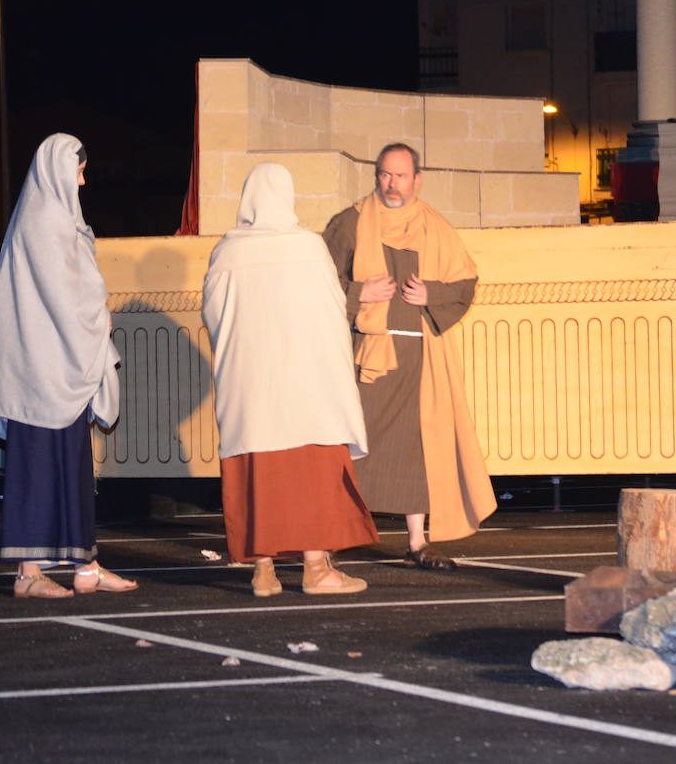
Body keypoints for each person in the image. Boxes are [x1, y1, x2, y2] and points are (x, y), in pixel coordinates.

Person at [0, 133, 136, 599]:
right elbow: (63, 297)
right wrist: (97, 314)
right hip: (40, 370)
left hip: (62, 364)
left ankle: (85, 565)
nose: (83, 179)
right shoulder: (41, 222)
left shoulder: (59, 219)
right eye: (78, 169)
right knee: (37, 467)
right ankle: (28, 572)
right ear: (58, 169)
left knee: (72, 466)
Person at [203, 163, 379, 596]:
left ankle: (263, 571)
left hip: (251, 389)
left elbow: (214, 316)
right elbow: (332, 311)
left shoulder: (227, 252)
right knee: (311, 474)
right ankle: (317, 569)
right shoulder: (307, 247)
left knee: (259, 477)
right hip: (305, 386)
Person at [322, 143, 496, 570]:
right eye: (384, 174)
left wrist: (430, 294)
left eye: (400, 176)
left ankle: (417, 542)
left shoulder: (432, 225)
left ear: (416, 179)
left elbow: (465, 283)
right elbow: (318, 283)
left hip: (420, 355)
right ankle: (326, 539)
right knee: (351, 447)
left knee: (419, 449)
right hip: (366, 356)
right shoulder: (351, 223)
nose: (391, 183)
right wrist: (357, 293)